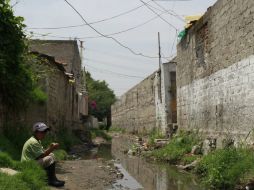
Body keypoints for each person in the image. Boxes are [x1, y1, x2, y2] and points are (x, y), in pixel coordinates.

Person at [21, 122, 65, 187]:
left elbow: (42, 152)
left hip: (31, 162)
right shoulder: (33, 142)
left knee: (51, 155)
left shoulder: (36, 140)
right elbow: (42, 155)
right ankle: (51, 181)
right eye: (42, 132)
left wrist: (50, 147)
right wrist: (52, 148)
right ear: (35, 132)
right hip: (28, 165)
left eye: (45, 132)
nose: (44, 134)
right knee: (49, 158)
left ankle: (53, 179)